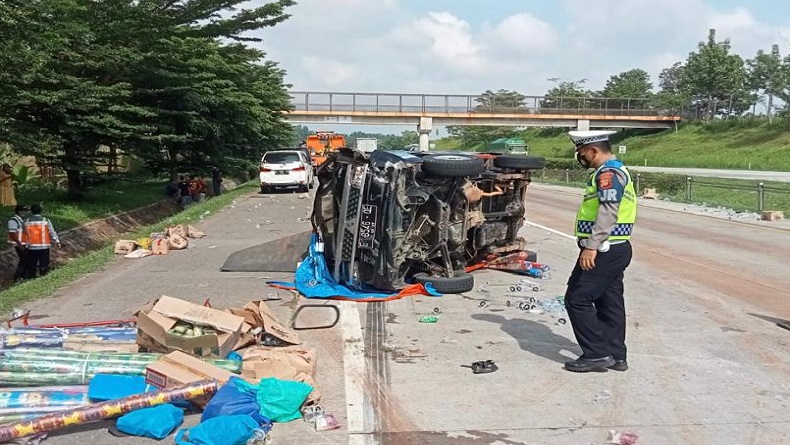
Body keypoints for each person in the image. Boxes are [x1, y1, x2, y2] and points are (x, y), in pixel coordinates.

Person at [562, 130, 637, 373]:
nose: (580, 157)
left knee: (577, 299)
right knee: (610, 302)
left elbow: (608, 210)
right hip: (617, 247)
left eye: (582, 152)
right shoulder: (618, 170)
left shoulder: (607, 173)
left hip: (604, 249)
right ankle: (616, 355)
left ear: (593, 151)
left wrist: (591, 246)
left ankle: (596, 353)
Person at [24, 204, 61, 277]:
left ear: (31, 212)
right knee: (44, 263)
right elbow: (51, 231)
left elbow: (24, 233)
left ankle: (32, 276)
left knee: (32, 263)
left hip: (31, 247)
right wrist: (57, 241)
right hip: (44, 246)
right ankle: (44, 275)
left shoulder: (27, 221)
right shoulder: (46, 220)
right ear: (40, 211)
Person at [7, 204, 31, 282]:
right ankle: (18, 277)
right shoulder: (13, 220)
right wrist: (19, 244)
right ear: (19, 211)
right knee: (24, 260)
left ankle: (23, 276)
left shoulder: (20, 219)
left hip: (23, 243)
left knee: (25, 259)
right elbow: (12, 233)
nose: (26, 212)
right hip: (18, 244)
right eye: (24, 211)